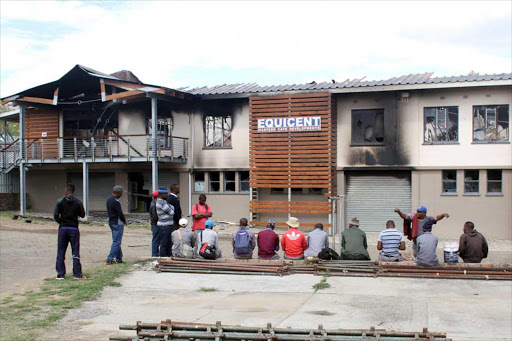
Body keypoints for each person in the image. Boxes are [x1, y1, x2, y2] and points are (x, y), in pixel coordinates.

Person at [53, 183, 86, 279]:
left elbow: (55, 216)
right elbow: (83, 214)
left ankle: (61, 274)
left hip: (63, 228)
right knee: (75, 251)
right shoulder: (78, 202)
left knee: (61, 251)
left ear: (66, 190)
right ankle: (77, 274)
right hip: (74, 228)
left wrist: (61, 222)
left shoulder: (60, 201)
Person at [106, 185, 127, 265]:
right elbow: (120, 213)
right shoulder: (116, 201)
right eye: (121, 193)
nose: (121, 195)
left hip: (112, 222)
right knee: (117, 242)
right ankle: (110, 258)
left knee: (116, 241)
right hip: (117, 223)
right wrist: (124, 220)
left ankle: (119, 258)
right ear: (118, 193)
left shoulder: (109, 199)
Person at [156, 187, 174, 257]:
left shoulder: (164, 202)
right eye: (165, 193)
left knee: (168, 243)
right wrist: (170, 208)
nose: (167, 195)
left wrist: (170, 208)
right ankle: (163, 259)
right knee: (164, 243)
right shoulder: (161, 202)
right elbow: (172, 212)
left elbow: (171, 208)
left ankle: (166, 257)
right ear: (161, 194)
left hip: (167, 225)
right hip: (164, 226)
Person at [166, 184, 181, 256]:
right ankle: (171, 253)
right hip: (173, 222)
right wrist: (178, 221)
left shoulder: (170, 198)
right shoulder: (173, 199)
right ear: (175, 189)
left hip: (173, 221)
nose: (179, 190)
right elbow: (176, 211)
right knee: (173, 237)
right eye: (178, 188)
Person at [149, 190, 160, 257]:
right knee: (156, 240)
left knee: (156, 240)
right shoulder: (154, 205)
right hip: (155, 225)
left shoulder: (153, 203)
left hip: (154, 224)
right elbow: (155, 216)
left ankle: (155, 254)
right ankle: (155, 255)